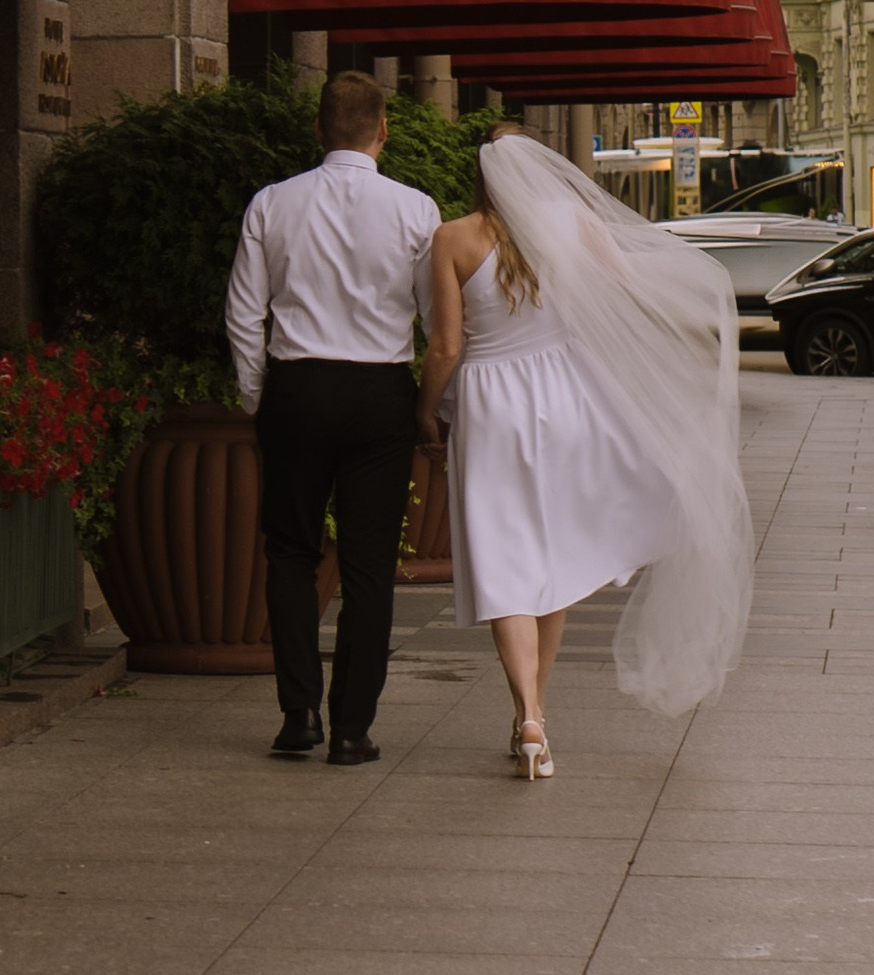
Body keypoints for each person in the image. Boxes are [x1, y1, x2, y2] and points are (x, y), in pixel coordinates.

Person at [419, 127, 754, 774]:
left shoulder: (454, 238)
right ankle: (535, 716)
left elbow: (447, 347)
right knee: (554, 559)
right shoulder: (574, 226)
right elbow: (622, 300)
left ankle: (530, 716)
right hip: (565, 398)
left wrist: (425, 408)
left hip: (493, 406)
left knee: (503, 561)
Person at [227, 69, 437, 765]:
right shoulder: (417, 210)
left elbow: (243, 314)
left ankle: (298, 717)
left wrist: (261, 395)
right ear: (383, 131)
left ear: (318, 129)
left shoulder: (271, 203)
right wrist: (432, 408)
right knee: (370, 565)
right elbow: (436, 321)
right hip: (380, 393)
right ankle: (352, 728)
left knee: (289, 553)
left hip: (298, 387)